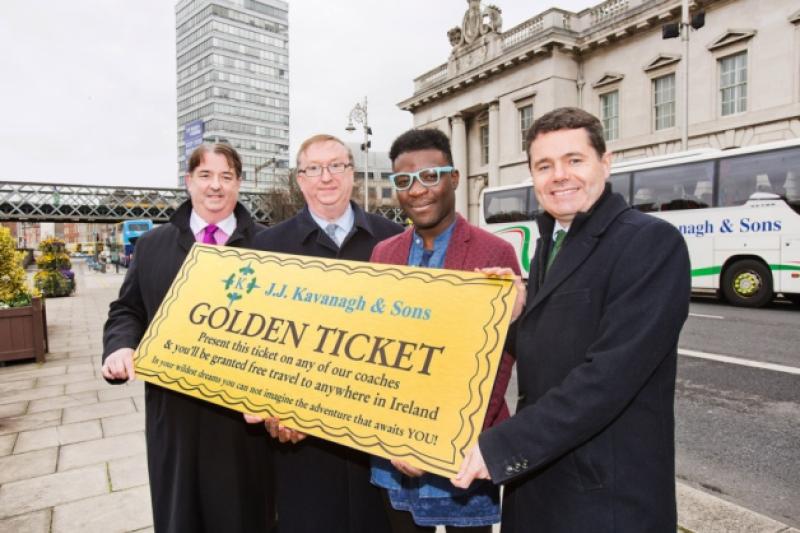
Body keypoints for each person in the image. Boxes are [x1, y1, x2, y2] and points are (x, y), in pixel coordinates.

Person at [453, 107, 691, 533]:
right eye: (545, 165)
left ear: (606, 161)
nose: (559, 175)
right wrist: (509, 312)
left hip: (604, 501)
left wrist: (501, 447)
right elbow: (552, 350)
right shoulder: (552, 240)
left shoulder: (650, 242)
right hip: (542, 490)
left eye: (574, 160)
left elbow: (608, 377)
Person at [101, 143, 275, 533]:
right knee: (181, 517)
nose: (216, 186)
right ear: (188, 182)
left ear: (239, 184)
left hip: (244, 423)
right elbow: (127, 309)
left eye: (226, 177)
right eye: (206, 175)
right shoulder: (152, 245)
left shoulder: (269, 246)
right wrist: (121, 345)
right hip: (175, 415)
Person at [369, 128, 521, 533]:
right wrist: (391, 436)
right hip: (394, 452)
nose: (417, 190)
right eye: (404, 181)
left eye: (431, 176)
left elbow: (499, 362)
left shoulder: (496, 253)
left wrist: (442, 439)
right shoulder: (383, 255)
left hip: (463, 453)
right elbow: (371, 352)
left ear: (454, 178)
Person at [250, 134, 403, 533]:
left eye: (336, 165)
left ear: (353, 174)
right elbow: (256, 339)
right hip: (301, 440)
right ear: (299, 180)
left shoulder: (393, 240)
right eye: (314, 168)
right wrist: (270, 408)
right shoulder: (268, 246)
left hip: (380, 441)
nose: (326, 177)